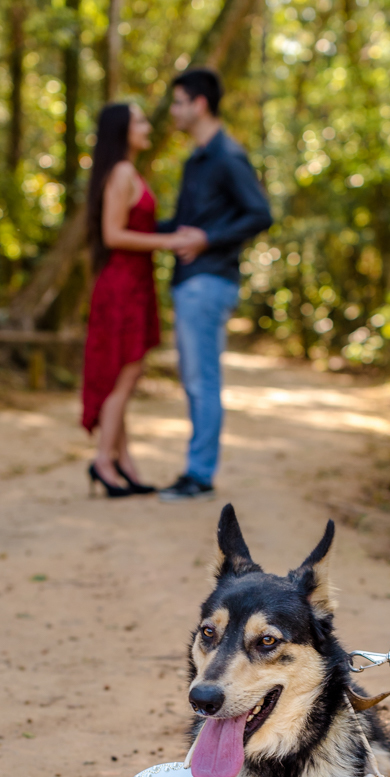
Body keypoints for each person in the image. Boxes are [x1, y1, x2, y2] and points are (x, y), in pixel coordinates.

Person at [157, 68, 273, 502]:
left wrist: (207, 240)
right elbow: (185, 225)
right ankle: (197, 470)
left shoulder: (227, 155)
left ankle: (199, 474)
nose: (174, 111)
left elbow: (260, 213)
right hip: (191, 281)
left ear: (199, 103)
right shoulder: (198, 159)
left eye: (179, 102)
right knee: (194, 379)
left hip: (209, 281)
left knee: (202, 380)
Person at [82, 102, 203, 497]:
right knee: (125, 375)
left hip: (134, 283)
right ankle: (104, 460)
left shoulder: (128, 172)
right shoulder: (120, 172)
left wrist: (170, 231)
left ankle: (123, 461)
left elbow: (137, 225)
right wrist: (169, 242)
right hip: (122, 285)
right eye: (140, 121)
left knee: (122, 375)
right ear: (122, 130)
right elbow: (113, 234)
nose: (148, 126)